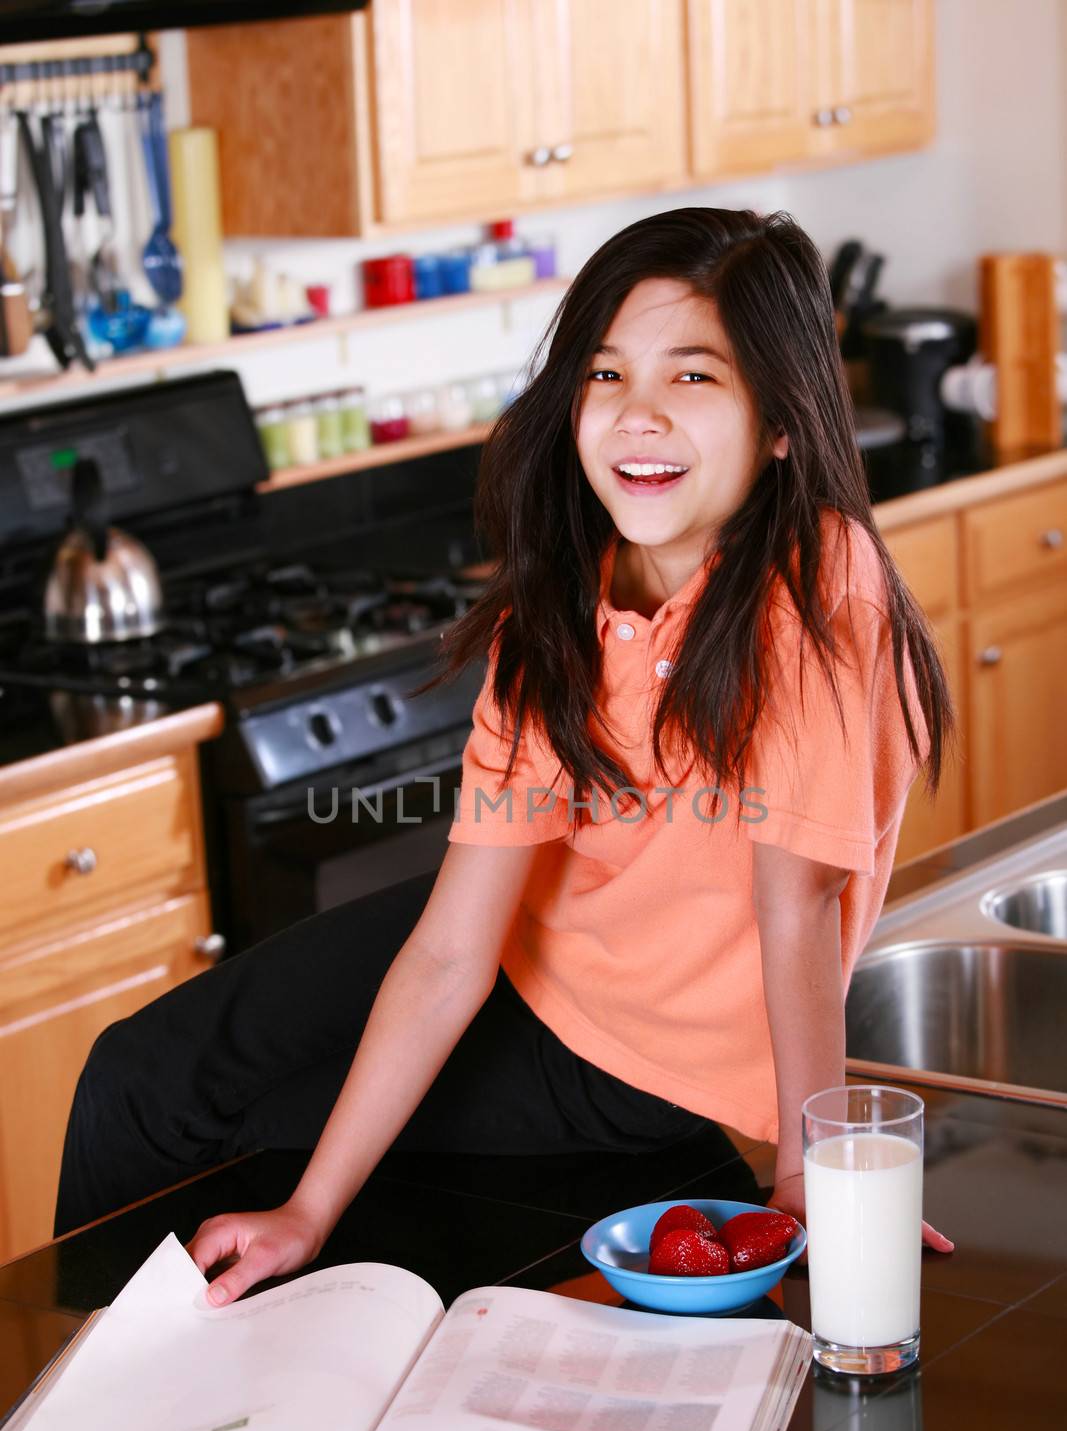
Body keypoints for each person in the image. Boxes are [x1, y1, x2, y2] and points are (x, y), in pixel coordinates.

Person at [54, 206, 956, 1302]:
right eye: (606, 374)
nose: (637, 417)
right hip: (527, 952)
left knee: (226, 1133)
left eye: (693, 379)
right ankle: (85, 1419)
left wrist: (812, 1177)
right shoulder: (560, 608)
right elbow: (447, 951)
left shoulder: (816, 584)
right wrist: (306, 1214)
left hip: (617, 1058)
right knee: (134, 1077)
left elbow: (799, 905)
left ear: (779, 422)